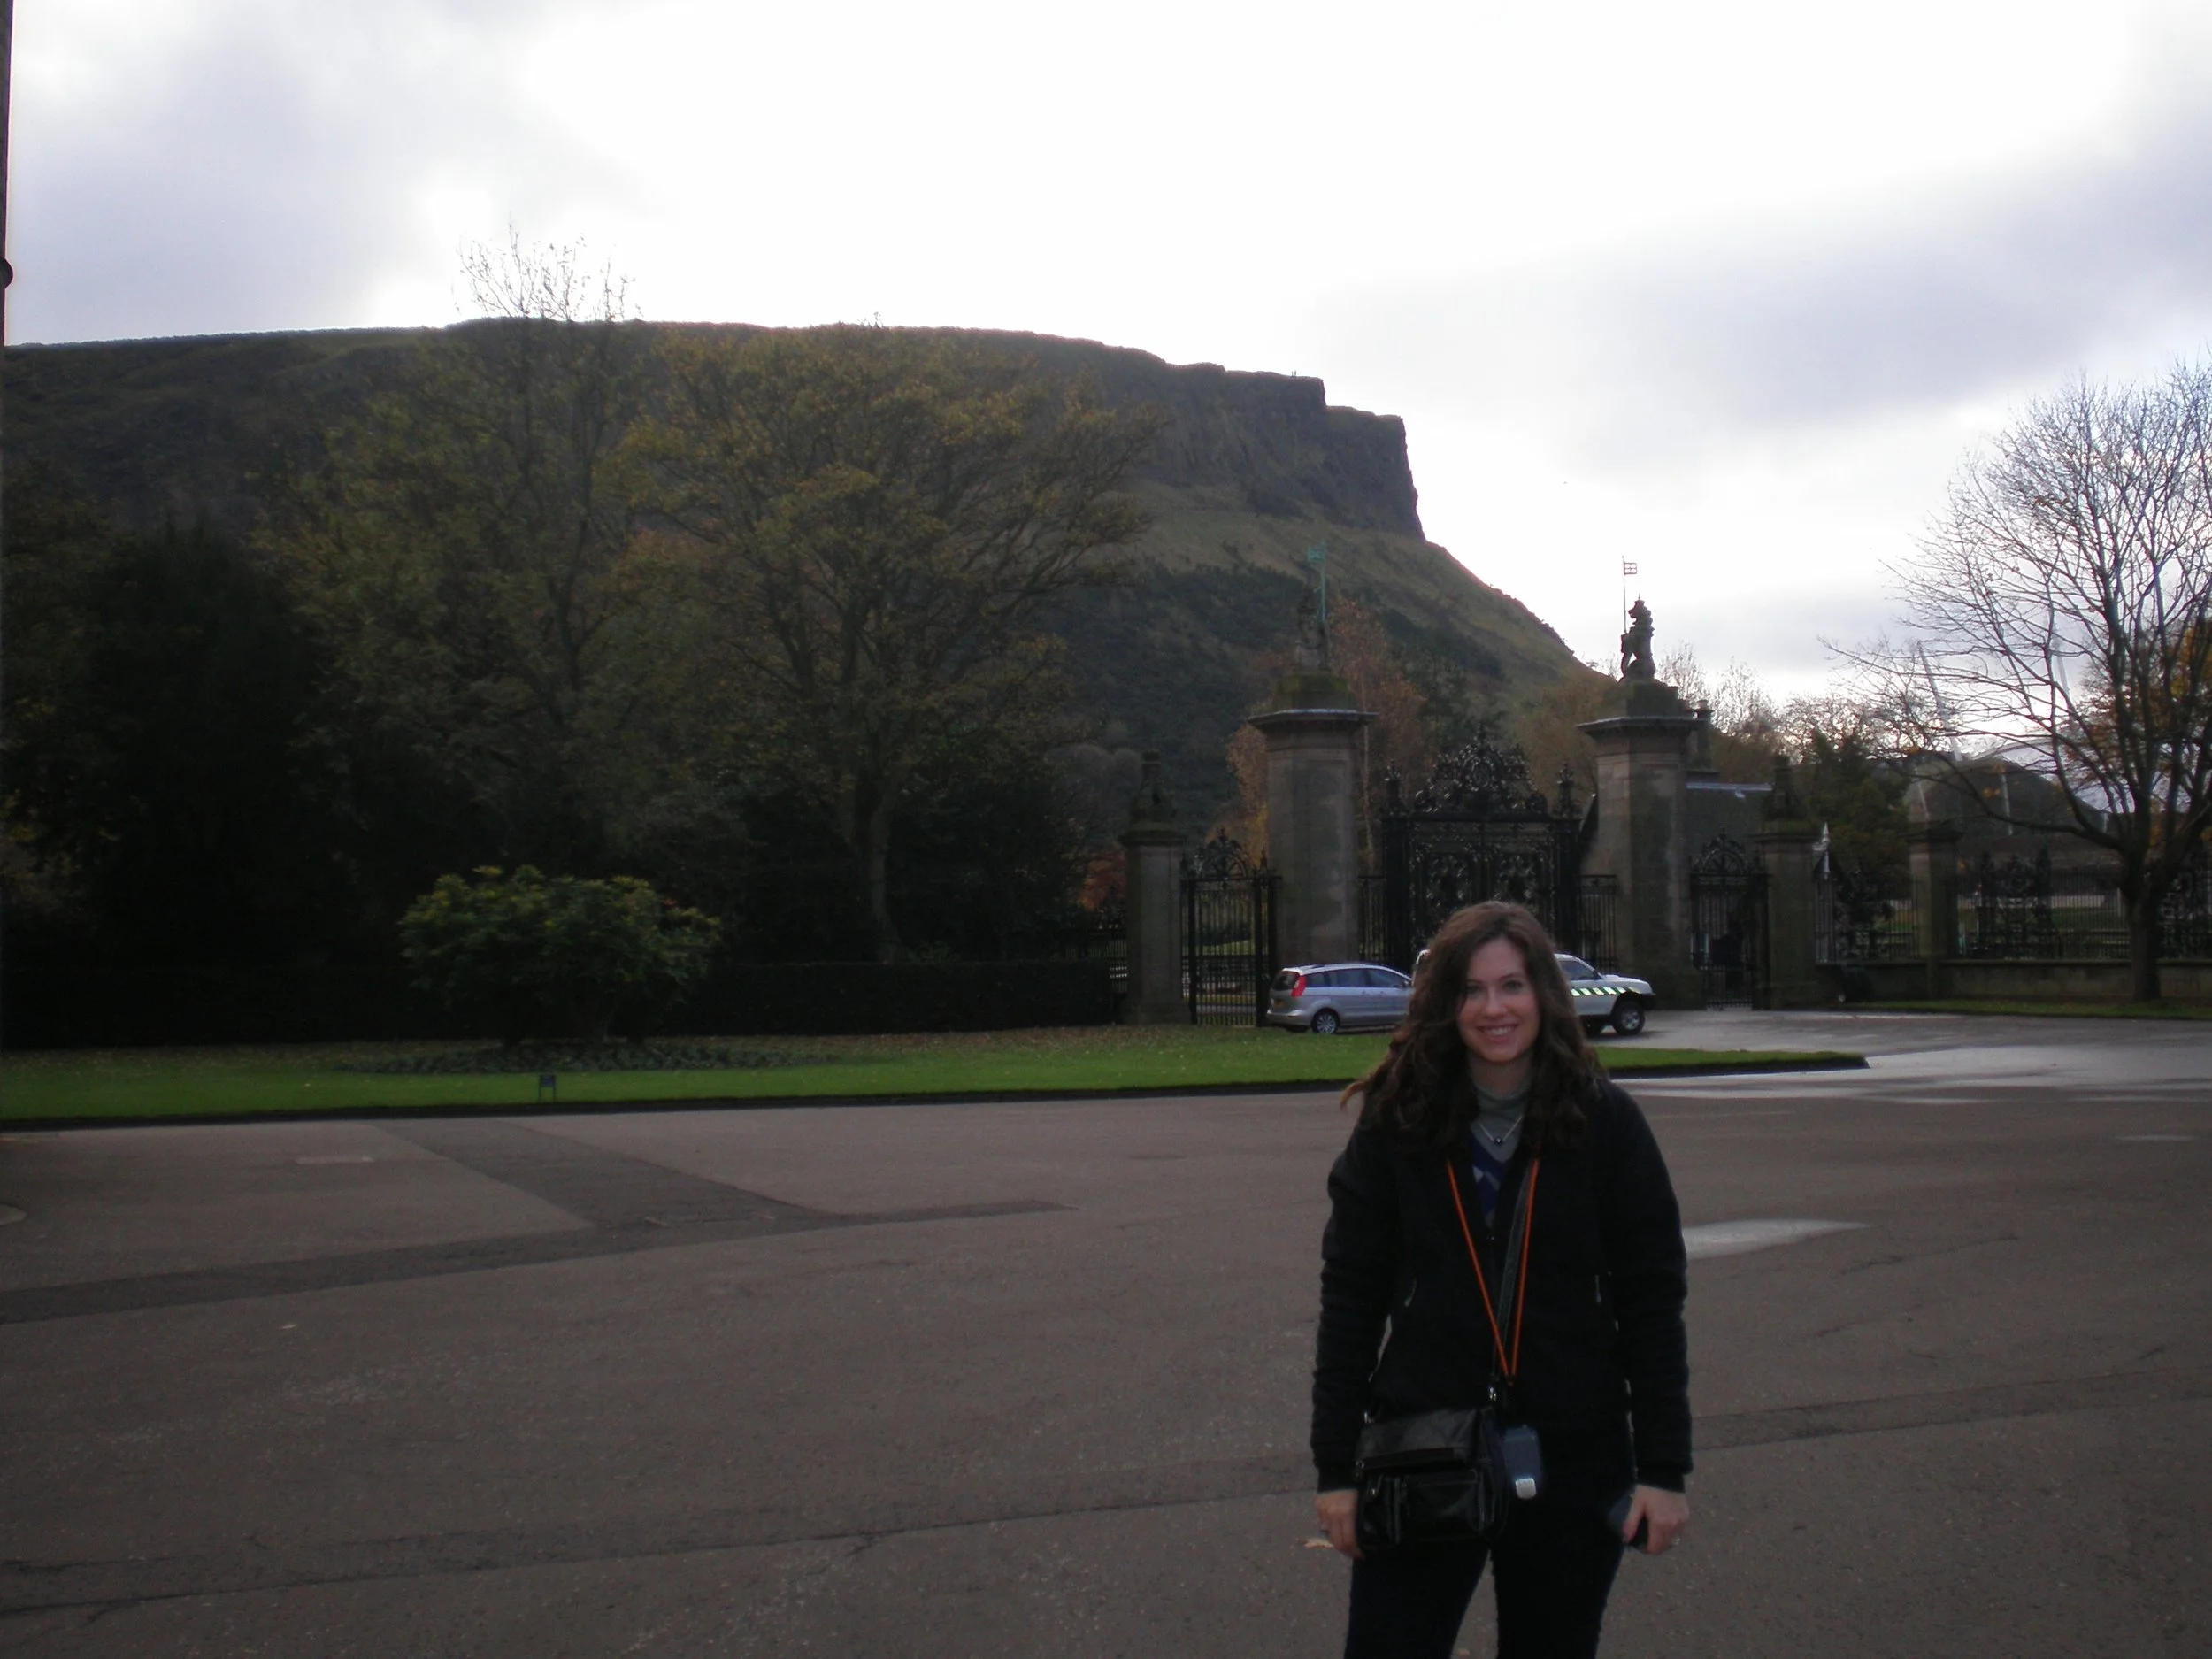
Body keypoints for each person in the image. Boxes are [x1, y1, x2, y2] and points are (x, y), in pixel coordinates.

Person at [1312, 902, 1691, 1659]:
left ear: (1543, 994)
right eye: (1472, 990)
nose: (1493, 1009)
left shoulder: (1605, 1123)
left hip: (1572, 1454)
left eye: (1511, 985)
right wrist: (1334, 1467)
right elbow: (1351, 1297)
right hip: (1422, 1445)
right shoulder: (1398, 1121)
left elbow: (1651, 1303)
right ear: (1445, 1003)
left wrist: (1663, 1468)